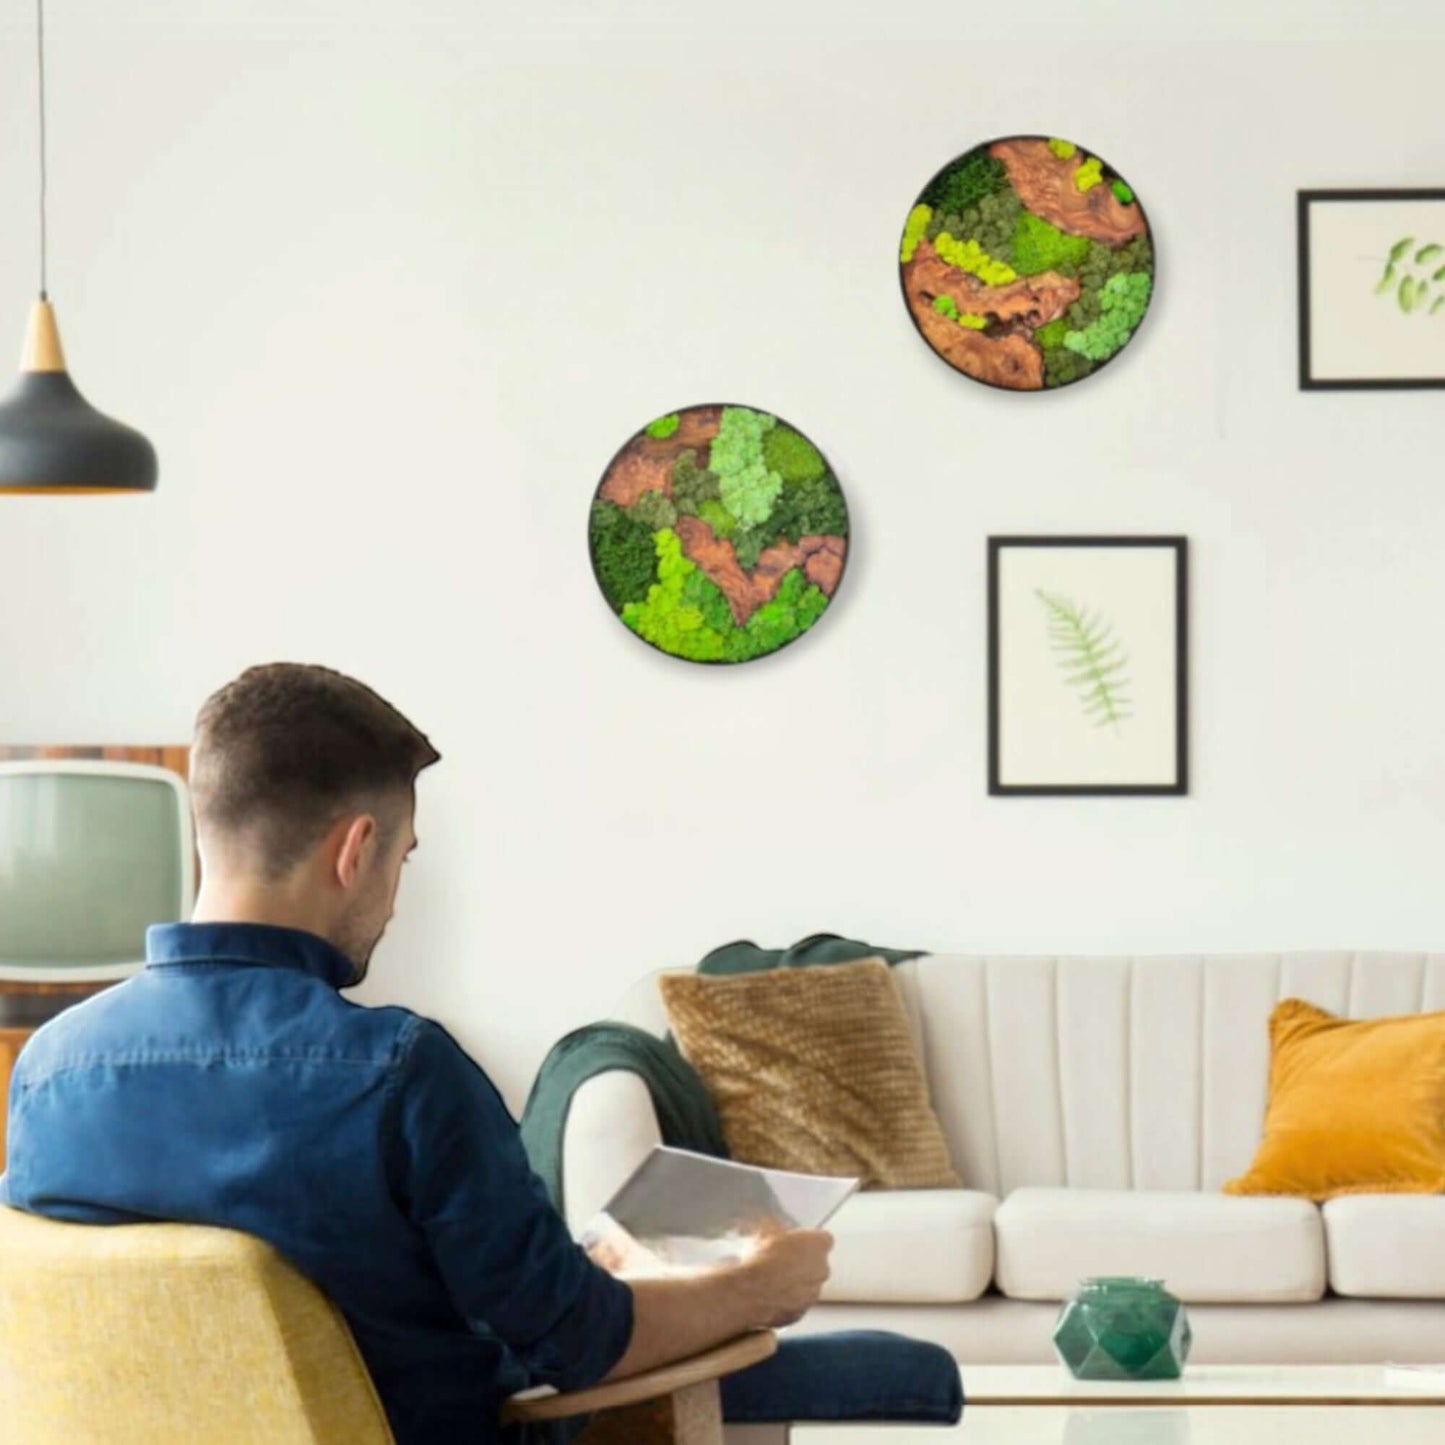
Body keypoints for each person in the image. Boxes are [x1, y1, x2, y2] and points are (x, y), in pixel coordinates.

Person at [0, 663, 961, 1443]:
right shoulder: (397, 1070)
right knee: (830, 1360)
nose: (394, 893)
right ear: (355, 848)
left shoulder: (47, 1070)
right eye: (403, 858)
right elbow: (576, 1346)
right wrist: (760, 1285)